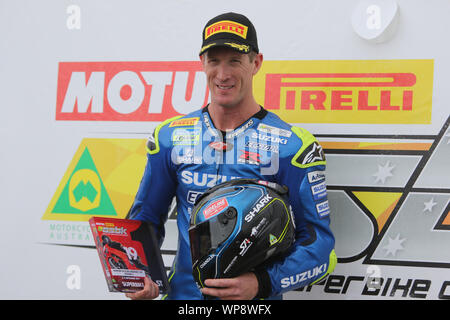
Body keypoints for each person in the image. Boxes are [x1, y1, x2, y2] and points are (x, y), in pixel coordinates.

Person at [125, 12, 336, 300]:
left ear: (256, 63)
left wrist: (262, 283)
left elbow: (321, 249)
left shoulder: (292, 146)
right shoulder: (170, 137)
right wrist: (143, 275)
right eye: (214, 61)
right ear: (202, 63)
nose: (222, 75)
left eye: (235, 61)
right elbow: (144, 222)